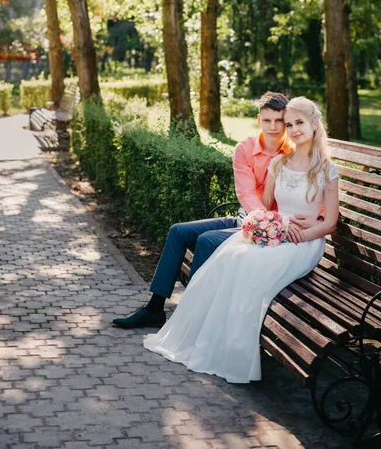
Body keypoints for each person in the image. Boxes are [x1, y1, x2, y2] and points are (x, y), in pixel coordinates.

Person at [143, 97, 339, 383]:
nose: (292, 129)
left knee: (242, 264)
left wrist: (306, 230)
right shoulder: (278, 162)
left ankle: (234, 348)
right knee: (227, 256)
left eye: (298, 123)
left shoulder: (326, 169)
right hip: (275, 230)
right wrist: (273, 226)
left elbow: (330, 221)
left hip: (304, 243)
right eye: (289, 124)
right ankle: (196, 329)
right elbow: (266, 204)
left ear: (314, 124)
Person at [113, 91, 295, 330]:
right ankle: (155, 309)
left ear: (286, 121)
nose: (273, 126)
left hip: (266, 230)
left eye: (279, 120)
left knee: (206, 240)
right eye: (267, 120)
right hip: (248, 219)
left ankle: (189, 315)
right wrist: (262, 219)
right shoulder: (245, 148)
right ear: (259, 119)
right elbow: (245, 193)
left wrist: (267, 225)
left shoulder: (292, 153)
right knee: (178, 231)